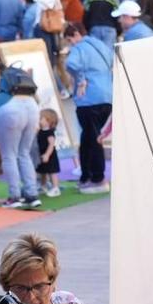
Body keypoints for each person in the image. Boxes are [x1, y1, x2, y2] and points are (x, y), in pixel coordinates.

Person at [62, 23, 113, 194]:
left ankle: (96, 178)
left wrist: (81, 79)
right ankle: (88, 176)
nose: (71, 44)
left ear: (76, 34)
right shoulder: (100, 45)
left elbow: (71, 64)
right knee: (91, 138)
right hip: (106, 95)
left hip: (88, 98)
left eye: (70, 40)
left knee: (91, 140)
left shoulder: (79, 49)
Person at [0, 66, 43, 212]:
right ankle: (32, 195)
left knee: (9, 156)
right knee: (24, 154)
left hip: (7, 108)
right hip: (31, 107)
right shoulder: (17, 75)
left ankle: (14, 196)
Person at [34, 110, 62, 199]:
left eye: (41, 118)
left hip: (49, 155)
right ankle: (43, 186)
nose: (39, 120)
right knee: (42, 171)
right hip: (41, 154)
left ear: (49, 121)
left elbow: (51, 144)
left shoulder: (50, 132)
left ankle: (55, 187)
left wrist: (47, 154)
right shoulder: (40, 131)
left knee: (52, 172)